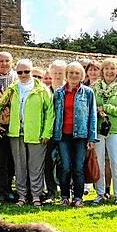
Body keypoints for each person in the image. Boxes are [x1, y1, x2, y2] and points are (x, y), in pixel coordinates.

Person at [0, 59, 54, 207]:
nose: (23, 75)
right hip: (16, 133)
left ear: (31, 71)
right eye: (20, 72)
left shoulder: (42, 89)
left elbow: (50, 112)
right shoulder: (13, 88)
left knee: (35, 167)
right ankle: (21, 196)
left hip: (36, 134)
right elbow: (0, 105)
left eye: (26, 71)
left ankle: (36, 196)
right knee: (20, 167)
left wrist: (47, 132)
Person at [52, 62, 98, 208]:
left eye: (77, 73)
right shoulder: (59, 93)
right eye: (71, 72)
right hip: (63, 135)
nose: (73, 75)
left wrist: (92, 137)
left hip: (81, 135)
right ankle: (65, 196)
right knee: (65, 167)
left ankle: (78, 197)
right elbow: (53, 114)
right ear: (67, 75)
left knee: (78, 167)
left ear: (81, 75)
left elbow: (92, 115)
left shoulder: (88, 92)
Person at [91, 58, 117, 206]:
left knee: (116, 163)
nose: (109, 71)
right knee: (98, 162)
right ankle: (100, 193)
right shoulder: (94, 88)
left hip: (115, 130)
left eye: (112, 68)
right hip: (99, 130)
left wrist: (106, 108)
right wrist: (97, 111)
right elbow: (90, 106)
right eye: (106, 68)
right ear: (102, 71)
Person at [0, 51, 18, 202]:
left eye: (7, 61)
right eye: (1, 61)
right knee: (0, 160)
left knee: (13, 160)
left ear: (12, 62)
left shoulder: (18, 78)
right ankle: (2, 190)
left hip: (15, 124)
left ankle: (11, 189)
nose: (4, 64)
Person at [44, 59, 67, 201]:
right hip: (49, 132)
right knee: (48, 163)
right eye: (55, 72)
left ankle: (66, 191)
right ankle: (51, 192)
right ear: (51, 73)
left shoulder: (69, 90)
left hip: (66, 132)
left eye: (61, 72)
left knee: (65, 163)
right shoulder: (45, 91)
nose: (58, 75)